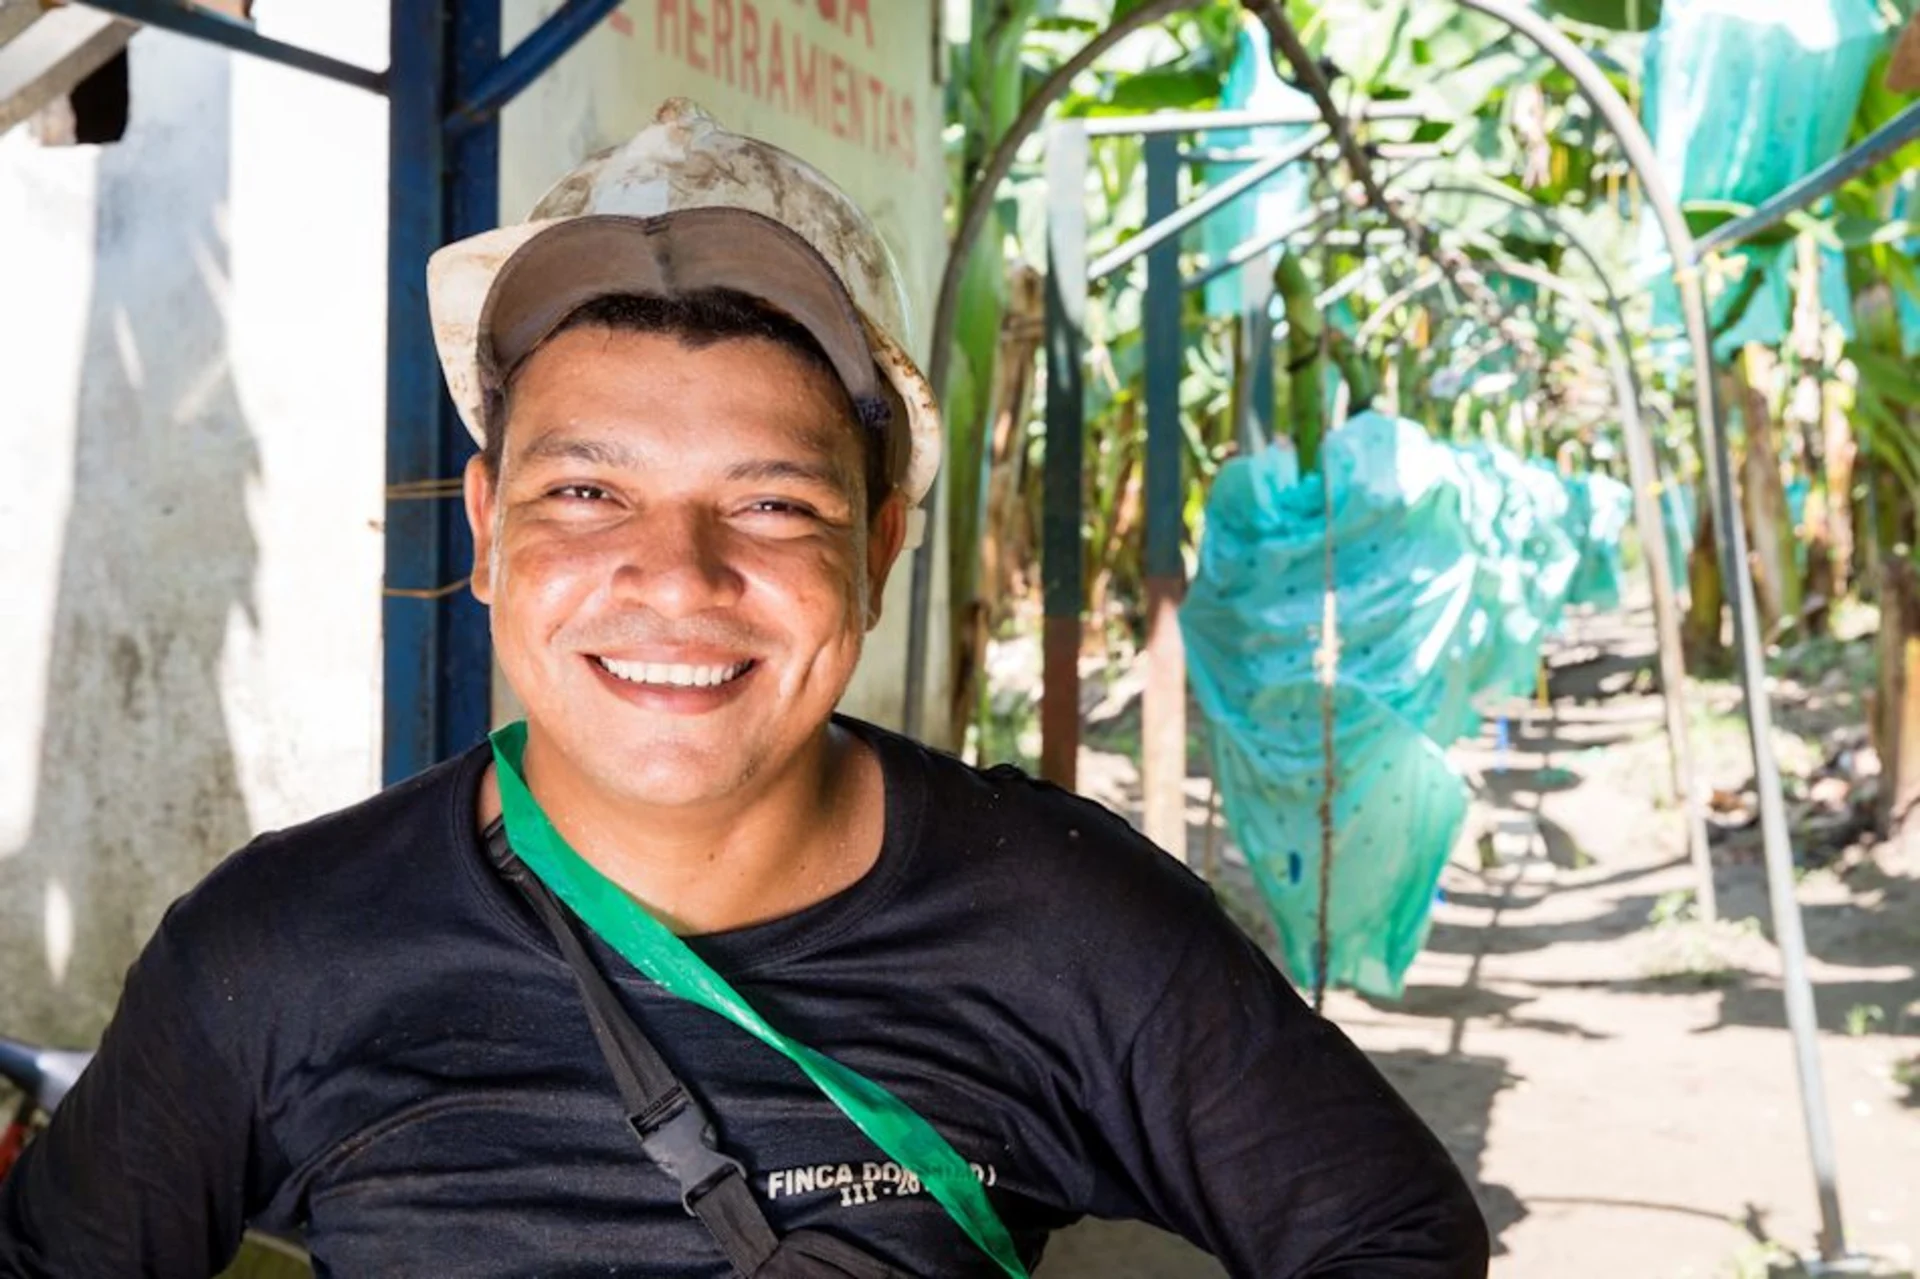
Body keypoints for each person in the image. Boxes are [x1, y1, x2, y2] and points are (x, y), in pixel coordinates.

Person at [0, 100, 1488, 1278]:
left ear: (878, 548)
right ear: (487, 532)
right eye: (587, 492)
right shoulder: (272, 955)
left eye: (772, 505)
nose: (677, 579)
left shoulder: (1067, 925)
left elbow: (1391, 1233)